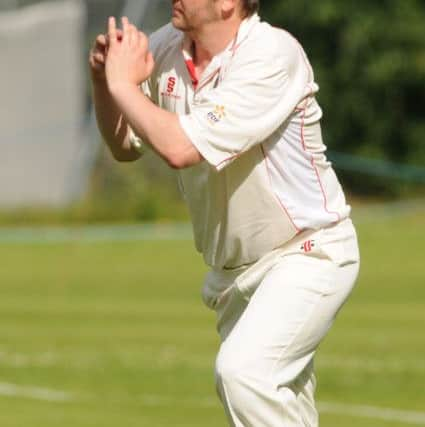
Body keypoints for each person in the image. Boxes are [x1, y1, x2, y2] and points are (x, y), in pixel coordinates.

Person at [89, 1, 360, 425]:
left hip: (307, 253)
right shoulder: (166, 47)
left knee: (243, 374)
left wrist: (123, 86)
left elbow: (180, 149)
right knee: (276, 402)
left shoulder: (271, 55)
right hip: (232, 277)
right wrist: (104, 83)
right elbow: (125, 148)